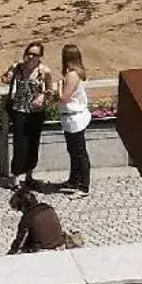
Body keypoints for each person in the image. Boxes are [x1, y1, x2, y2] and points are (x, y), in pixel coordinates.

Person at [3, 41, 53, 185]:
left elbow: (50, 90)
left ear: (40, 56)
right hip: (19, 110)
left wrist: (43, 96)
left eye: (35, 54)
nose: (31, 56)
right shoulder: (18, 67)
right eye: (29, 53)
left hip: (36, 111)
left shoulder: (44, 71)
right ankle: (16, 176)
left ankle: (29, 174)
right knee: (20, 144)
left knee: (33, 143)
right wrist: (8, 74)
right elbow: (5, 79)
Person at [57, 44, 91, 195]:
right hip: (72, 117)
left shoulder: (72, 75)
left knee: (79, 152)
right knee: (73, 150)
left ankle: (83, 186)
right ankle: (74, 179)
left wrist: (59, 86)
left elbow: (64, 97)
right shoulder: (77, 73)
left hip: (74, 117)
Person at [9, 188, 70, 253]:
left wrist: (11, 252)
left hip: (45, 249)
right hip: (61, 243)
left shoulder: (27, 218)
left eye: (19, 209)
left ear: (22, 206)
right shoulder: (47, 207)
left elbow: (20, 241)